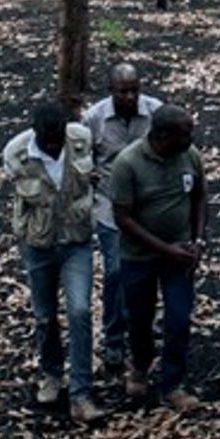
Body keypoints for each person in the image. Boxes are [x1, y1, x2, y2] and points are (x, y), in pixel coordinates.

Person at [2, 100, 99, 421]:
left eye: (59, 139)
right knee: (45, 316)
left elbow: (92, 178)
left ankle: (81, 392)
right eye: (49, 141)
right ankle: (52, 374)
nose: (56, 146)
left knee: (80, 311)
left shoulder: (81, 139)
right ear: (36, 133)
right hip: (39, 244)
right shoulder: (16, 154)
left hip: (76, 242)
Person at [108, 104, 206, 412]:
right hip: (139, 256)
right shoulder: (128, 163)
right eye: (185, 133)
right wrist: (165, 249)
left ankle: (172, 384)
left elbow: (200, 195)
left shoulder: (189, 156)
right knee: (139, 318)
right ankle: (139, 366)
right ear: (163, 136)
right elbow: (122, 218)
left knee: (178, 319)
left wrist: (197, 239)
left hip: (179, 255)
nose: (192, 136)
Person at [81, 62, 163, 372]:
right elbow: (85, 163)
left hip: (147, 205)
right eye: (122, 91)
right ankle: (113, 337)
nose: (130, 97)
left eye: (134, 90)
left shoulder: (155, 112)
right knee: (116, 271)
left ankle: (142, 325)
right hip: (110, 204)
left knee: (146, 270)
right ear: (111, 91)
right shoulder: (94, 119)